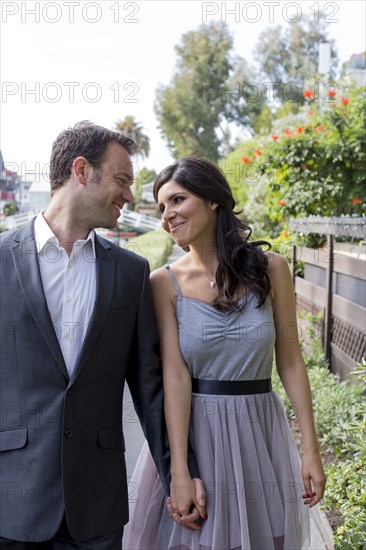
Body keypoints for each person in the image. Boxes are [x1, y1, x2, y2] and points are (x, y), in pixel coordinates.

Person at [0, 122, 204, 548]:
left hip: (97, 508)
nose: (130, 195)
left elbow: (150, 388)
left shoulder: (130, 273)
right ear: (81, 171)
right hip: (11, 500)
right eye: (122, 179)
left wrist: (179, 476)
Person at [123, 157, 326, 549]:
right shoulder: (162, 283)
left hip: (260, 433)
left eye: (177, 200)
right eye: (162, 207)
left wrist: (310, 450)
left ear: (213, 200)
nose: (167, 215)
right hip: (198, 436)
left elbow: (290, 361)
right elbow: (175, 375)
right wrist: (179, 471)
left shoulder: (272, 269)